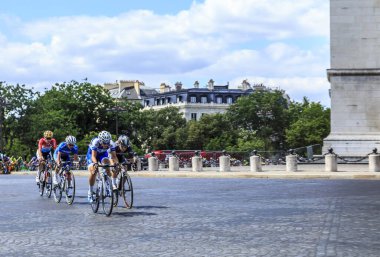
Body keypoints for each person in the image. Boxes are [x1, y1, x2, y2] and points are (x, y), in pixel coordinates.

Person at [86, 131, 119, 202]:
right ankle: (90, 191)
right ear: (100, 141)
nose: (106, 145)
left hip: (102, 154)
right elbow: (93, 156)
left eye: (107, 143)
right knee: (93, 171)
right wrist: (95, 163)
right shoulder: (95, 142)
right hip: (92, 155)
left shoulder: (111, 143)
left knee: (107, 164)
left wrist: (116, 164)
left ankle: (107, 183)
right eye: (104, 143)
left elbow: (114, 156)